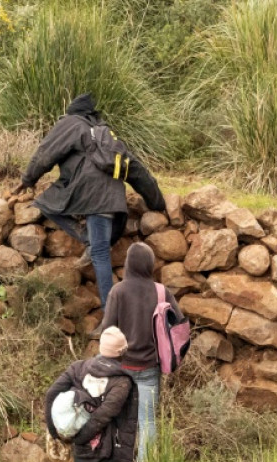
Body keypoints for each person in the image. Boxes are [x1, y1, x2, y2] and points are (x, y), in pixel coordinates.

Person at [14, 93, 166, 337]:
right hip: (112, 200)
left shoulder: (71, 123)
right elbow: (135, 168)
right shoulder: (105, 133)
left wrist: (27, 179)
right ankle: (90, 241)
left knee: (95, 248)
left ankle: (111, 319)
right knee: (97, 247)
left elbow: (46, 152)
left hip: (90, 196)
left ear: (73, 111)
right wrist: (157, 201)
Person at [99, 242, 183, 462]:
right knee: (148, 423)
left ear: (128, 263)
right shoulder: (161, 292)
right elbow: (179, 326)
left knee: (117, 420)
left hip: (121, 369)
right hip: (149, 369)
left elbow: (107, 330)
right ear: (149, 264)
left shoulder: (118, 291)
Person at [45, 326, 138, 462]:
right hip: (107, 452)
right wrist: (83, 437)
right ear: (122, 353)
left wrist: (55, 433)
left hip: (82, 451)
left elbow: (51, 394)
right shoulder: (122, 382)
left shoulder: (78, 368)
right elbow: (103, 416)